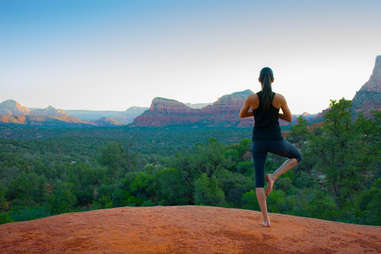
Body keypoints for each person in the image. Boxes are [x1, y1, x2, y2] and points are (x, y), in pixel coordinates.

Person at [239, 67, 302, 227]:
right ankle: (274, 176)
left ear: (259, 80)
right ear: (272, 80)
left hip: (258, 142)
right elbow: (288, 118)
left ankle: (266, 220)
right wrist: (274, 113)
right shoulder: (279, 98)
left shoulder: (252, 98)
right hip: (276, 140)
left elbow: (242, 114)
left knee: (259, 181)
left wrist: (257, 112)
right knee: (297, 157)